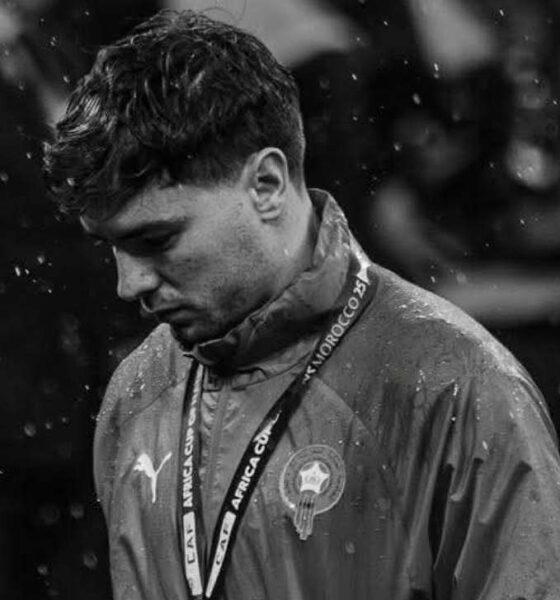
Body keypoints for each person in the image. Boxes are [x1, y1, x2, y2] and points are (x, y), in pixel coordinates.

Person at [43, 10, 560, 600]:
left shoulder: (458, 388)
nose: (128, 285)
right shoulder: (135, 394)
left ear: (265, 185)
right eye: (111, 247)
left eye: (156, 240)